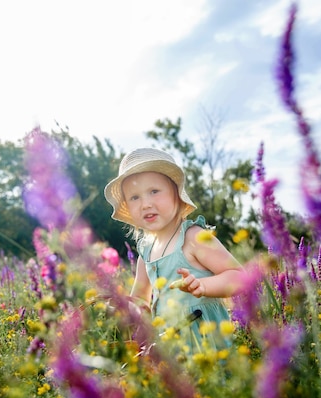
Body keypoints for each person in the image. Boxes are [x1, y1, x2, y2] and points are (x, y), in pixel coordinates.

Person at [104, 147, 243, 351]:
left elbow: (239, 277)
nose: (145, 204)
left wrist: (203, 285)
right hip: (170, 348)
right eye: (135, 197)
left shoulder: (193, 237)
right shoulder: (145, 251)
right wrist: (124, 308)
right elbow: (140, 300)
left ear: (176, 195)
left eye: (154, 191)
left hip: (207, 345)